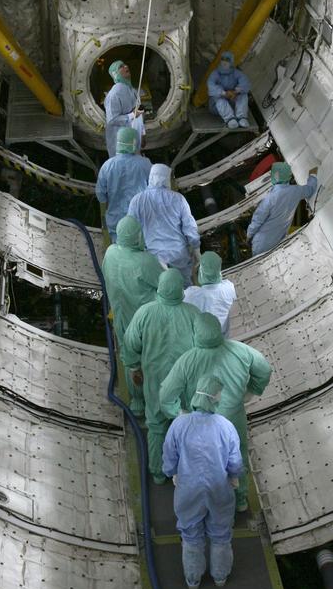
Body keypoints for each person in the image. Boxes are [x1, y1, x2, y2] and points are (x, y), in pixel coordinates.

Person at [160, 311, 271, 513]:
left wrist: (179, 413)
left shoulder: (187, 361)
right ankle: (240, 500)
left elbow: (166, 394)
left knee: (197, 460)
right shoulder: (241, 351)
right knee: (236, 457)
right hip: (233, 419)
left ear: (196, 333)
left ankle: (200, 503)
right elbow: (264, 369)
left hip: (198, 423)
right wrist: (251, 391)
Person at [162, 377, 243, 589]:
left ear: (196, 395)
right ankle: (220, 577)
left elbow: (169, 456)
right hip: (219, 489)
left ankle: (193, 579)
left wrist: (172, 473)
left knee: (190, 534)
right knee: (220, 535)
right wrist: (234, 476)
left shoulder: (179, 424)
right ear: (217, 398)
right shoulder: (226, 426)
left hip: (188, 489)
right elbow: (235, 462)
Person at [121, 268, 201, 481]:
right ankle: (186, 470)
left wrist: (134, 367)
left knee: (156, 426)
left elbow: (130, 343)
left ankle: (158, 472)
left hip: (155, 379)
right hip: (185, 381)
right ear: (180, 290)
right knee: (185, 422)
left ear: (160, 287)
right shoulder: (193, 313)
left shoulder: (145, 312)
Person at [102, 216, 162, 414]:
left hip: (121, 319)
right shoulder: (145, 262)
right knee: (152, 358)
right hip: (146, 323)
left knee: (132, 361)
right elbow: (165, 285)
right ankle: (158, 400)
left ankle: (137, 404)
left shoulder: (110, 254)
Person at [127, 164, 200, 287]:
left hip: (152, 256)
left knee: (159, 290)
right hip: (179, 255)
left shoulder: (137, 200)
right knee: (185, 290)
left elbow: (130, 230)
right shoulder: (178, 199)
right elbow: (190, 227)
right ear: (166, 178)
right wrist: (196, 248)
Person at [246, 162, 319, 257]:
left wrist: (248, 236)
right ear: (288, 175)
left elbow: (257, 221)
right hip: (277, 242)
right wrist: (313, 175)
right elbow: (310, 190)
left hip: (261, 244)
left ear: (274, 176)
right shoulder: (295, 191)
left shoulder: (269, 199)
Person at [95, 126, 152, 241]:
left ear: (118, 143)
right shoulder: (145, 164)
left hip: (116, 221)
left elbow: (100, 193)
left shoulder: (107, 166)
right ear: (135, 143)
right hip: (140, 219)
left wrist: (108, 203)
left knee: (120, 250)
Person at [184, 250, 236, 337]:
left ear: (201, 271)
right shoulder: (229, 287)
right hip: (226, 338)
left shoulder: (191, 294)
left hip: (202, 341)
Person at [104, 59, 143, 157]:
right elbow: (112, 120)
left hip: (133, 136)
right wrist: (132, 115)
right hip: (119, 140)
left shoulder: (131, 89)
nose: (126, 67)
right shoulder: (114, 94)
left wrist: (142, 134)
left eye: (125, 64)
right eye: (121, 66)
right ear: (115, 73)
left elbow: (137, 111)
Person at [207, 51, 251, 128]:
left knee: (243, 94)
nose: (224, 62)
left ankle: (241, 117)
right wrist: (224, 93)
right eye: (223, 59)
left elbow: (245, 83)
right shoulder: (215, 73)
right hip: (217, 107)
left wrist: (235, 91)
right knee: (217, 97)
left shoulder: (236, 73)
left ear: (231, 61)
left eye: (227, 59)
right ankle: (230, 119)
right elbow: (211, 85)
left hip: (232, 102)